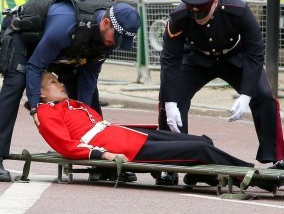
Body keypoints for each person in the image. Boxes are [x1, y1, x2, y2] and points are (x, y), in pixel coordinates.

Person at [0, 0, 140, 182]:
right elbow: (35, 65)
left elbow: (89, 78)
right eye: (117, 38)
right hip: (24, 39)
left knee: (87, 97)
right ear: (106, 23)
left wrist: (84, 115)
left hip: (64, 47)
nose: (116, 44)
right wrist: (35, 108)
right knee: (16, 83)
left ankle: (99, 164)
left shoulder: (107, 36)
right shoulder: (65, 24)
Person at [156, 0, 284, 185]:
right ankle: (171, 164)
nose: (198, 18)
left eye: (203, 13)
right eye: (193, 14)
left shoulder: (238, 10)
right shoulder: (178, 17)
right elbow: (170, 60)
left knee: (264, 96)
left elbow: (255, 54)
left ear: (215, 2)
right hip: (196, 59)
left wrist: (246, 95)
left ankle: (278, 157)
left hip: (235, 57)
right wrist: (169, 102)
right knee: (170, 100)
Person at [36, 71, 258, 187]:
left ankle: (207, 176)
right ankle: (253, 176)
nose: (61, 84)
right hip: (120, 147)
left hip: (127, 135)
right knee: (199, 150)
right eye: (54, 83)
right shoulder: (46, 112)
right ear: (42, 93)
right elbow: (67, 145)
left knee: (202, 141)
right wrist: (105, 154)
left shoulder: (69, 104)